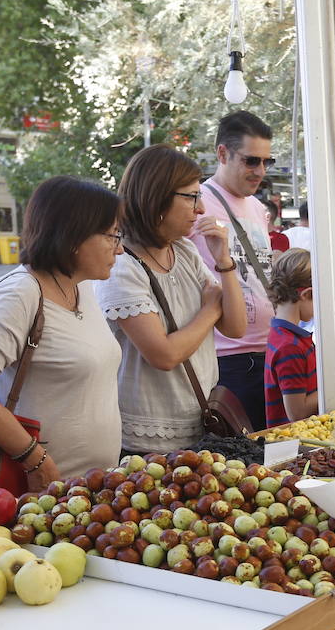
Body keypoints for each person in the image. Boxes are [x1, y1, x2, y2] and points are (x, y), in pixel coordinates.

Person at [0, 177, 123, 486]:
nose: (119, 248)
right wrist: (33, 457)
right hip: (39, 492)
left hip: (92, 488)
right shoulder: (20, 292)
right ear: (74, 236)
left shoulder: (81, 286)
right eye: (112, 235)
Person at [96, 145, 246, 455]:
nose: (201, 209)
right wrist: (210, 310)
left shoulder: (185, 251)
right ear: (157, 198)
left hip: (201, 425)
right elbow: (163, 355)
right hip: (147, 442)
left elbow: (235, 328)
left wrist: (224, 262)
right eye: (192, 197)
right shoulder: (122, 266)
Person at [190, 110, 277, 431]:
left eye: (267, 161)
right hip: (226, 358)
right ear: (222, 154)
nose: (261, 171)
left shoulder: (257, 207)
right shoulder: (197, 204)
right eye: (251, 161)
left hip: (270, 349)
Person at [263, 249, 318, 427]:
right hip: (296, 438)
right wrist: (331, 384)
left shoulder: (281, 333)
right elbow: (297, 412)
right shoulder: (290, 347)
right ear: (306, 294)